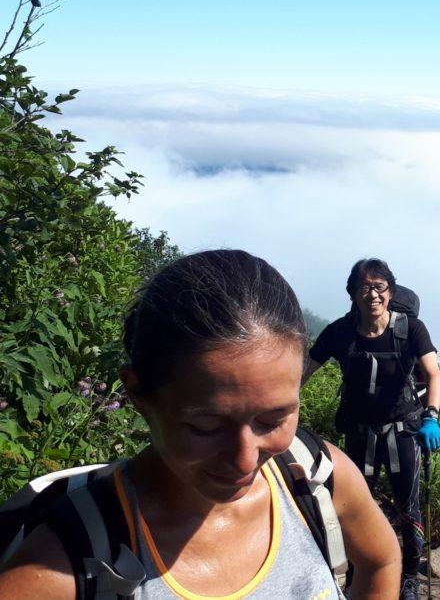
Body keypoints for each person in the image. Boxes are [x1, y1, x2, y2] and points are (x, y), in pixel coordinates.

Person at [0, 250, 401, 599]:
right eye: (206, 426)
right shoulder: (64, 562)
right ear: (139, 394)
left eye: (274, 418)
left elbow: (382, 560)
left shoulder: (315, 478)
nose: (244, 461)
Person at [302, 258, 440, 600]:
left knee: (408, 507)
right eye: (364, 287)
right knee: (353, 507)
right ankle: (356, 572)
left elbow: (433, 374)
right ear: (352, 293)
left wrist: (431, 416)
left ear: (390, 292)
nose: (372, 294)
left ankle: (408, 576)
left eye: (379, 287)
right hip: (359, 433)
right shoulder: (340, 332)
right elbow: (305, 369)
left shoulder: (410, 329)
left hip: (404, 431)